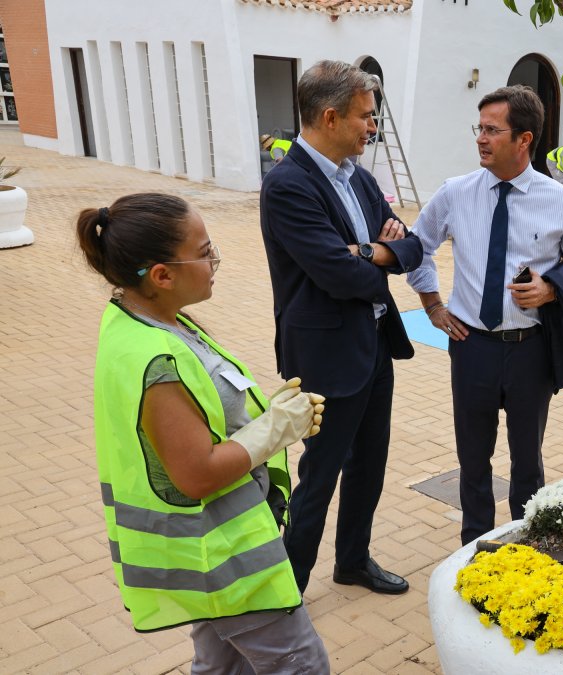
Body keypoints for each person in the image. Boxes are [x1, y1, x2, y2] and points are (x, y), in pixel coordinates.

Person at [80, 193, 330, 672]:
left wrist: (264, 418)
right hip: (222, 551)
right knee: (301, 665)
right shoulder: (155, 358)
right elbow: (195, 474)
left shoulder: (147, 320)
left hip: (208, 549)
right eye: (205, 251)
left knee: (221, 667)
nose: (215, 262)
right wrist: (273, 432)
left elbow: (204, 420)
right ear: (162, 275)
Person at [260, 60, 424, 594]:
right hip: (327, 355)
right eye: (364, 117)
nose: (371, 127)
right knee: (321, 473)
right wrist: (377, 254)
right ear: (330, 118)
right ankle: (289, 585)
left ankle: (352, 560)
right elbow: (338, 275)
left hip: (374, 343)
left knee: (369, 465)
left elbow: (412, 247)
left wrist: (369, 252)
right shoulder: (289, 186)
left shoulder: (360, 178)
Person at [408, 85, 563, 545]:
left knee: (527, 463)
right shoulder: (456, 193)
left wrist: (551, 289)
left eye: (493, 130)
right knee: (473, 460)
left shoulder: (562, 203)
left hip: (530, 351)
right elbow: (418, 247)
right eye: (480, 128)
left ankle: (524, 547)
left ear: (524, 139)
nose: (481, 139)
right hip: (470, 346)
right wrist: (432, 305)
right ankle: (474, 546)